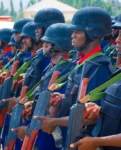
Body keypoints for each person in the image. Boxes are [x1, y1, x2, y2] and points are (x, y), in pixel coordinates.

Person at [34, 7, 113, 149]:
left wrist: (54, 122)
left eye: (77, 32)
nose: (72, 36)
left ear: (92, 35)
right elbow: (77, 99)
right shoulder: (82, 63)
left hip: (83, 140)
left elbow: (88, 115)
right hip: (70, 135)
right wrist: (61, 97)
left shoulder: (98, 67)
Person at [70, 13, 121, 150]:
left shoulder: (100, 67)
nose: (117, 40)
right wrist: (96, 113)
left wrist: (96, 142)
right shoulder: (118, 75)